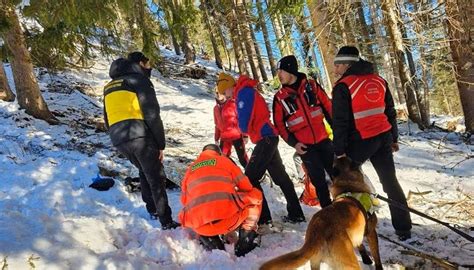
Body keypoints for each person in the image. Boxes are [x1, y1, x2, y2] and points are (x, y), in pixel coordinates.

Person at [331, 46, 412, 240]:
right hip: (383, 137)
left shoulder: (343, 86)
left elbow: (340, 122)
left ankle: (353, 224)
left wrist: (339, 151)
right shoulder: (379, 80)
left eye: (337, 65)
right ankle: (404, 229)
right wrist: (393, 138)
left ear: (347, 65)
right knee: (390, 182)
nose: (335, 70)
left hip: (359, 141)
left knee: (346, 183)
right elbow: (390, 112)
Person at [103, 51, 179, 230]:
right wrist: (160, 144)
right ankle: (166, 221)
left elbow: (106, 118)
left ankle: (152, 210)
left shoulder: (109, 86)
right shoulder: (140, 80)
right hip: (139, 135)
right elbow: (152, 114)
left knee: (145, 172)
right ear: (140, 64)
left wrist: (116, 136)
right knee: (156, 177)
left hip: (118, 138)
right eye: (148, 63)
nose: (150, 67)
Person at [218, 72, 305, 226]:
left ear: (229, 87)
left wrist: (243, 130)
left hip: (265, 138)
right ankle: (296, 214)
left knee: (250, 178)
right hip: (268, 137)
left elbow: (244, 120)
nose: (225, 95)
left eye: (224, 92)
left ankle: (264, 218)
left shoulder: (243, 92)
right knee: (281, 177)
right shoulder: (245, 90)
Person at [272, 55, 334, 208]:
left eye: (281, 71)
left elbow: (328, 108)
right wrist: (294, 144)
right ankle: (329, 213)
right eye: (277, 72)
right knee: (319, 181)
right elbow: (279, 125)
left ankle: (348, 207)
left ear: (290, 71)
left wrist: (338, 133)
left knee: (338, 176)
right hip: (305, 147)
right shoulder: (280, 98)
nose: (278, 75)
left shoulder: (312, 86)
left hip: (324, 141)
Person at [179, 144, 262, 257]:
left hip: (200, 226)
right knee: (255, 195)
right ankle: (246, 239)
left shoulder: (190, 169)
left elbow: (184, 201)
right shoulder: (224, 161)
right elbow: (247, 187)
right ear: (219, 153)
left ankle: (208, 236)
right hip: (227, 221)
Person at [214, 75, 249, 167]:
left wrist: (245, 135)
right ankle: (233, 171)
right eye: (217, 93)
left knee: (243, 158)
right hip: (224, 137)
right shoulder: (216, 109)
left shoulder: (233, 103)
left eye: (221, 93)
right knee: (223, 157)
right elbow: (217, 125)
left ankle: (251, 175)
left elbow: (241, 120)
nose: (219, 95)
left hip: (236, 135)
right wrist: (216, 138)